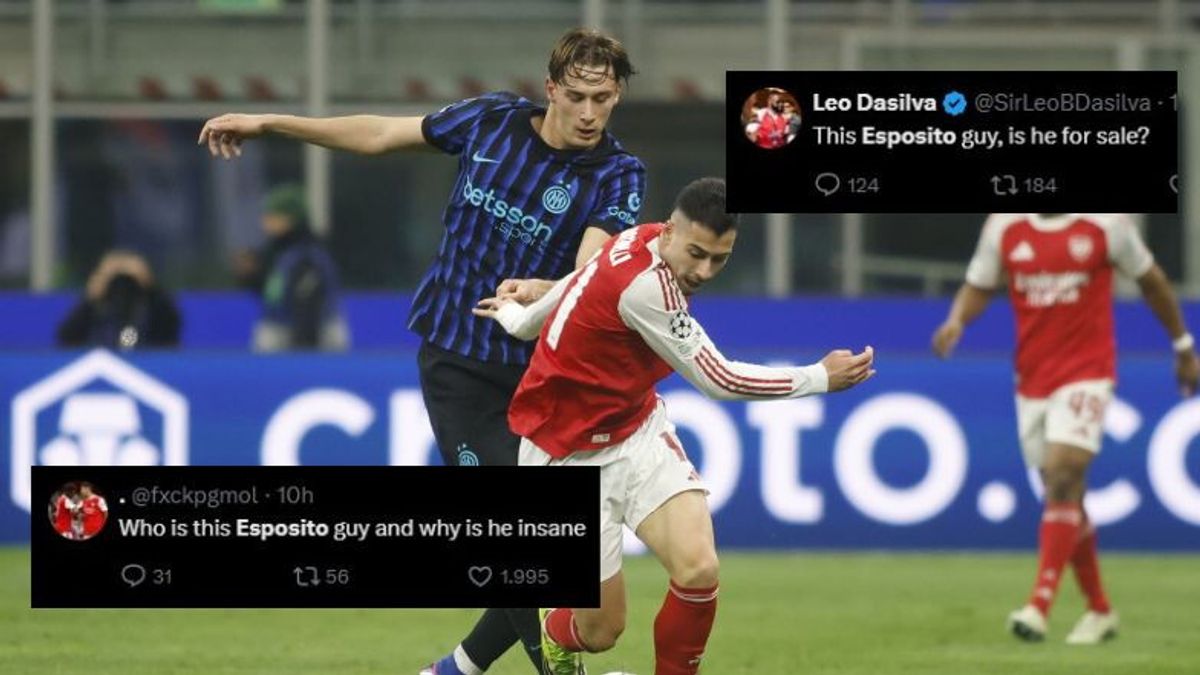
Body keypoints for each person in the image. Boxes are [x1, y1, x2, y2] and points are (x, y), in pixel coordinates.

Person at [198, 27, 645, 675]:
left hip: (544, 378)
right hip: (459, 366)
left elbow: (590, 269)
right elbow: (380, 134)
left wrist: (545, 290)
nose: (588, 112)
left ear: (617, 96)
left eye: (602, 99)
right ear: (550, 89)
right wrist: (272, 123)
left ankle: (454, 669)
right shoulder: (491, 120)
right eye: (576, 96)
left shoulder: (618, 172)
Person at [474, 178, 875, 675]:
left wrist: (520, 320)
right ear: (669, 232)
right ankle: (555, 634)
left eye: (719, 259)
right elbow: (720, 379)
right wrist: (818, 377)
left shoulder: (637, 238)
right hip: (564, 454)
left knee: (699, 568)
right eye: (696, 253)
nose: (703, 271)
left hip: (635, 431)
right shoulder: (648, 288)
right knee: (601, 632)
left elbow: (579, 282)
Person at [931, 213, 1199, 645]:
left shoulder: (1107, 225)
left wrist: (1183, 346)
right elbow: (979, 284)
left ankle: (1039, 606)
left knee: (1062, 473)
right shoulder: (1004, 227)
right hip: (1032, 378)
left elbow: (1151, 281)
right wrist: (957, 320)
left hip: (1088, 370)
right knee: (1064, 495)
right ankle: (1100, 610)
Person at [234, 184, 350, 352]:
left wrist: (301, 356)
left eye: (272, 216)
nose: (265, 222)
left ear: (290, 218)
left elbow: (308, 308)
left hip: (312, 336)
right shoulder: (280, 252)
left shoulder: (308, 255)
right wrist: (252, 278)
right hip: (284, 330)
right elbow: (276, 295)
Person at [57, 250, 181, 350]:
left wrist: (150, 288)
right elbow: (67, 337)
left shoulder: (151, 308)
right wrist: (91, 297)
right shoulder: (96, 309)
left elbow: (170, 326)